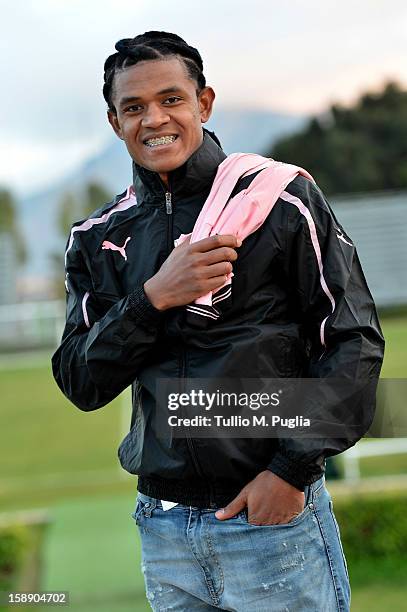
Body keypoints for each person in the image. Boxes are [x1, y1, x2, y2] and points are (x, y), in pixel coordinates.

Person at [51, 31, 385, 611]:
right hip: (163, 528)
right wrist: (152, 298)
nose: (154, 119)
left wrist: (290, 470)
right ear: (114, 123)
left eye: (171, 99)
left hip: (272, 523)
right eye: (133, 108)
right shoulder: (97, 238)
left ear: (203, 103)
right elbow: (81, 382)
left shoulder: (282, 198)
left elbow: (352, 341)